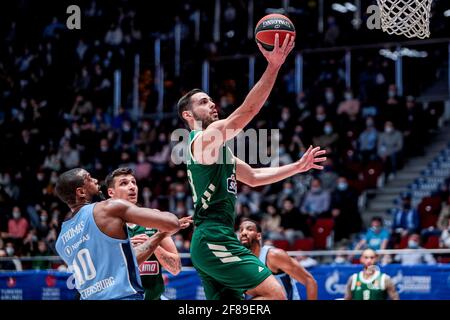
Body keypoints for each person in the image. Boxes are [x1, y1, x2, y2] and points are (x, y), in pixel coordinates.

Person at [178, 33, 327, 300]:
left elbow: (255, 176)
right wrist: (273, 66)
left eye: (211, 99)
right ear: (188, 116)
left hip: (213, 238)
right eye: (203, 102)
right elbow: (244, 114)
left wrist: (298, 166)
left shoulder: (216, 150)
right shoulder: (201, 140)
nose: (211, 103)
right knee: (275, 295)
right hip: (213, 237)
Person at [54, 168, 180, 300]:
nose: (96, 180)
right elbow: (172, 223)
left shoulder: (61, 241)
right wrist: (158, 235)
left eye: (134, 182)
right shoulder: (106, 210)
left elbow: (107, 265)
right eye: (89, 178)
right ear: (80, 192)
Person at [105, 167, 192, 300]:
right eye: (124, 183)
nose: (132, 187)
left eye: (133, 182)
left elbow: (176, 268)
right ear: (111, 192)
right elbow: (101, 274)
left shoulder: (154, 218)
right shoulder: (105, 226)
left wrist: (152, 244)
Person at [239, 219, 318, 300]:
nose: (243, 232)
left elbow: (310, 281)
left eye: (249, 229)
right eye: (241, 230)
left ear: (258, 236)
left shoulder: (273, 256)